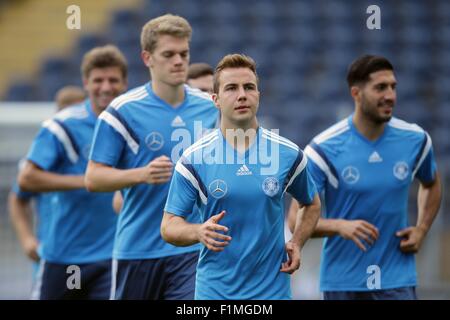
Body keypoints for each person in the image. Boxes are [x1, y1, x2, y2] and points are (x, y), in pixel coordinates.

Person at [161, 53, 321, 300]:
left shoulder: (288, 154)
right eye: (231, 88)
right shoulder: (194, 159)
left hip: (272, 293)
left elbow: (310, 203)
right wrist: (198, 232)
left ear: (258, 95)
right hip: (214, 293)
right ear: (215, 99)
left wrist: (297, 242)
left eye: (249, 87)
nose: (242, 95)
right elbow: (169, 225)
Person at [85, 14, 218, 300]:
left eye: (184, 54)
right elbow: (94, 177)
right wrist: (141, 174)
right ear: (147, 58)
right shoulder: (121, 111)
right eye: (168, 54)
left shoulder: (211, 109)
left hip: (190, 248)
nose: (179, 61)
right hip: (137, 249)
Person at [288, 55, 442, 300]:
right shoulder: (323, 149)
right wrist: (340, 226)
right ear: (356, 93)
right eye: (380, 87)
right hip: (343, 282)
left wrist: (422, 229)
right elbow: (295, 219)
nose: (390, 95)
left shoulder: (416, 140)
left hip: (397, 280)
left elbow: (431, 183)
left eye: (393, 87)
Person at [18, 45, 128, 299]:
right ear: (85, 83)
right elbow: (27, 179)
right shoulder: (62, 125)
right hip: (65, 256)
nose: (106, 87)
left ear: (124, 83)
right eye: (98, 80)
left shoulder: (134, 123)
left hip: (113, 255)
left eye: (113, 80)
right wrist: (89, 180)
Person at [8, 85, 86, 284]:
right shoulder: (40, 162)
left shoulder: (94, 155)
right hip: (54, 251)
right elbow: (17, 199)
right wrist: (26, 239)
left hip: (95, 251)